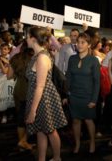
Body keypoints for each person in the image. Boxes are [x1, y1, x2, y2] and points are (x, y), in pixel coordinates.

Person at [25, 27, 67, 161]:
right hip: (39, 96)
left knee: (50, 130)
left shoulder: (42, 57)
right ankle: (41, 158)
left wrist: (33, 110)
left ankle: (57, 158)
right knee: (41, 130)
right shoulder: (37, 55)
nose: (25, 39)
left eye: (27, 37)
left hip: (44, 97)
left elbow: (40, 86)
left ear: (33, 39)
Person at [66, 33, 100, 154]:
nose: (79, 44)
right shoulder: (72, 59)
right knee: (75, 121)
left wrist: (94, 100)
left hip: (88, 96)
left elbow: (97, 82)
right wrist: (66, 94)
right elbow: (68, 77)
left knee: (89, 120)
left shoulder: (94, 60)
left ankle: (92, 141)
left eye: (83, 42)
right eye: (78, 42)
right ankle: (78, 143)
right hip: (74, 95)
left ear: (89, 45)